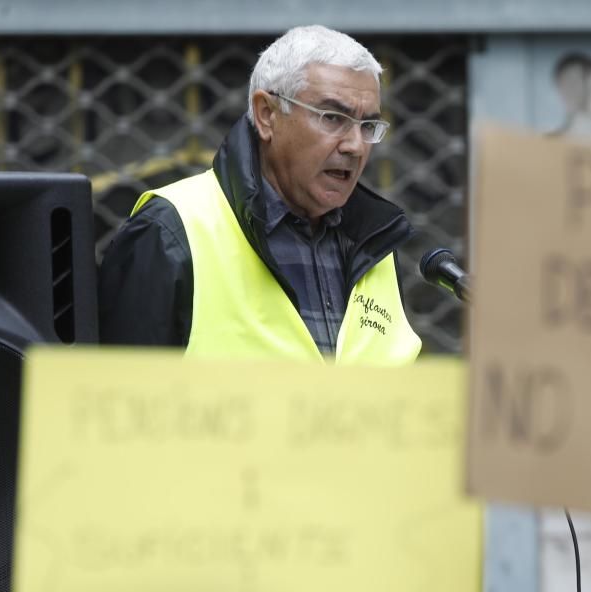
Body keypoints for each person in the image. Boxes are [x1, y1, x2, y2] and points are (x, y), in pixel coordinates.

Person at [98, 25, 421, 364]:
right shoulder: (171, 231)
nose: (355, 145)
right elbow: (116, 401)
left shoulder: (376, 242)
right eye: (332, 117)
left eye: (368, 126)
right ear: (267, 115)